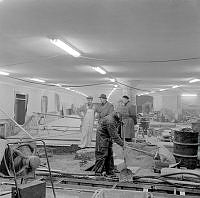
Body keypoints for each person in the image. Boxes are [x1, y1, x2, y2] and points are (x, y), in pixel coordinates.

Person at [92, 112, 126, 176]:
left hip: (108, 138)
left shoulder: (115, 118)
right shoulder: (110, 121)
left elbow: (115, 130)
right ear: (118, 114)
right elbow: (114, 136)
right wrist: (122, 144)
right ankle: (98, 173)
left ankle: (110, 172)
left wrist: (119, 122)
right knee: (102, 155)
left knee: (109, 155)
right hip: (102, 139)